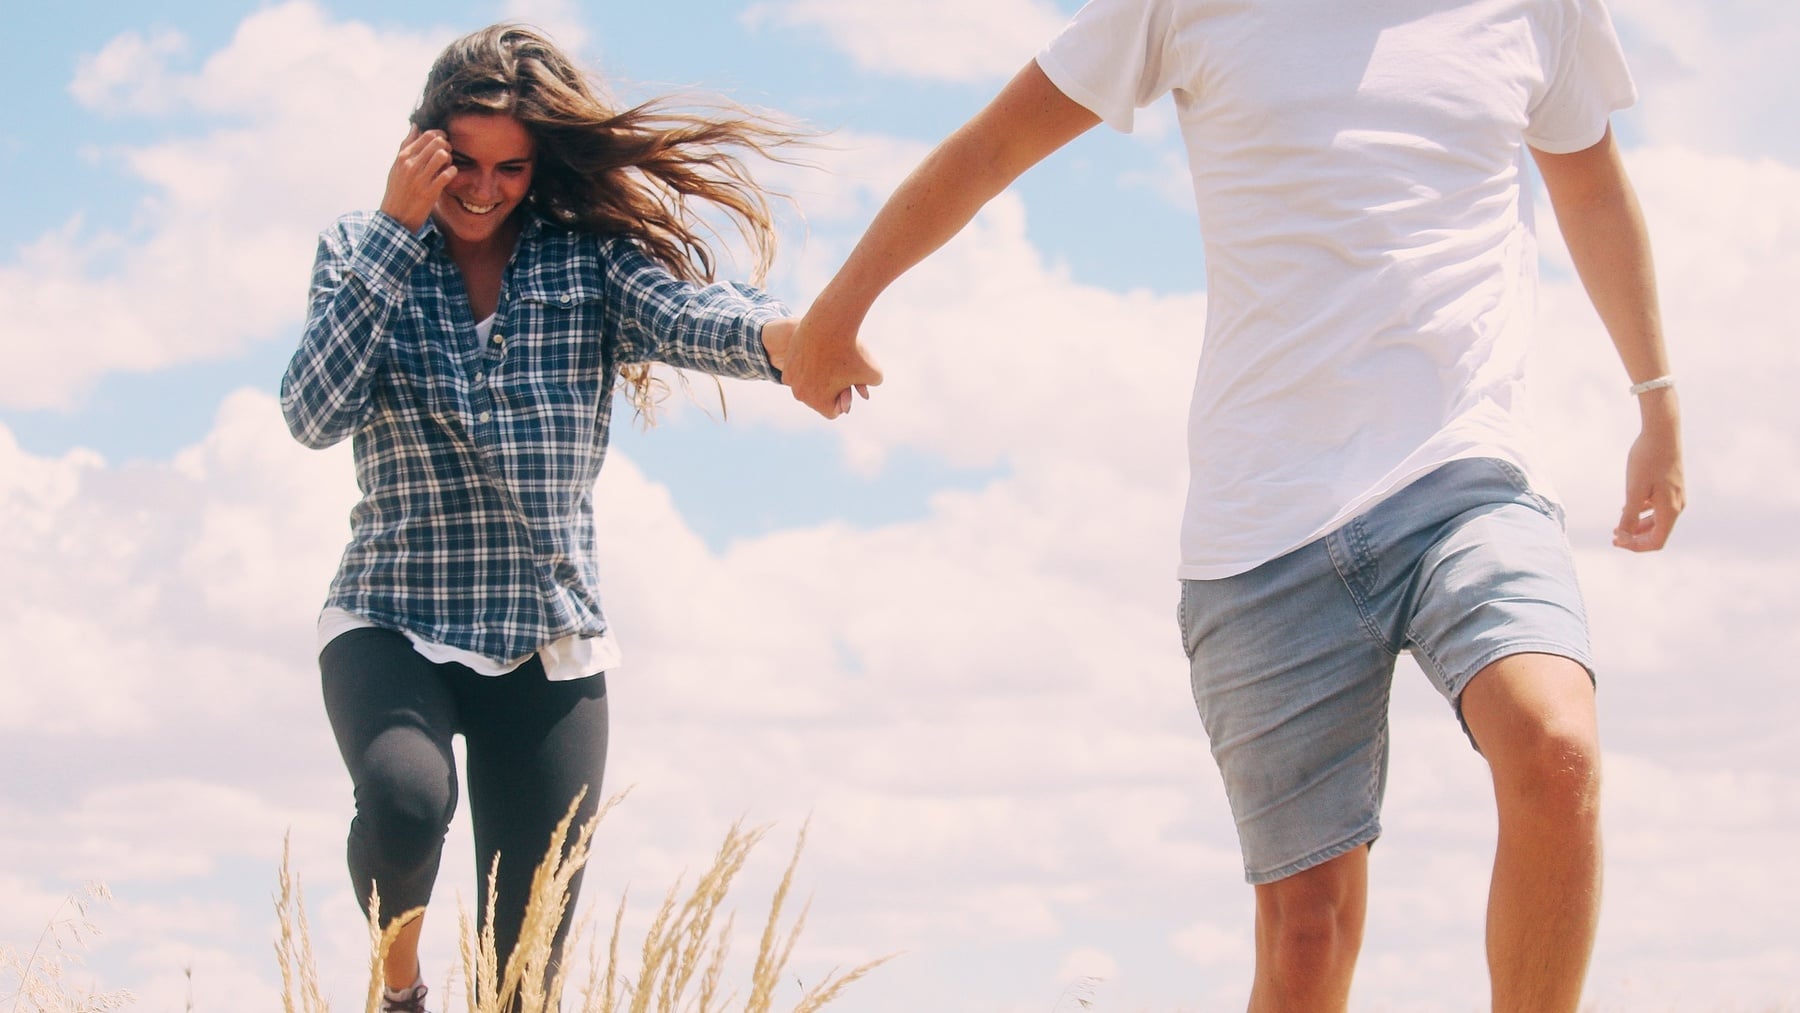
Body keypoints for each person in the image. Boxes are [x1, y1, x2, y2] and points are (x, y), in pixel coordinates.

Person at [783, 0, 1682, 1008]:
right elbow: (995, 145)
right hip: (1263, 525)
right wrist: (837, 311)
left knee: (1557, 750)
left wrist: (1657, 402)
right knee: (1307, 933)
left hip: (1466, 477)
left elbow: (1592, 186)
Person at [280, 24, 805, 1012]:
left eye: (511, 168)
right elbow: (313, 412)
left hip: (546, 639)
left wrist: (794, 342)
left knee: (522, 982)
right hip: (392, 614)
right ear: (419, 146)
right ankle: (401, 990)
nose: (484, 189)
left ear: (539, 166)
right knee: (405, 800)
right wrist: (395, 232)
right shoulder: (360, 250)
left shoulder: (586, 263)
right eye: (462, 162)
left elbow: (693, 316)